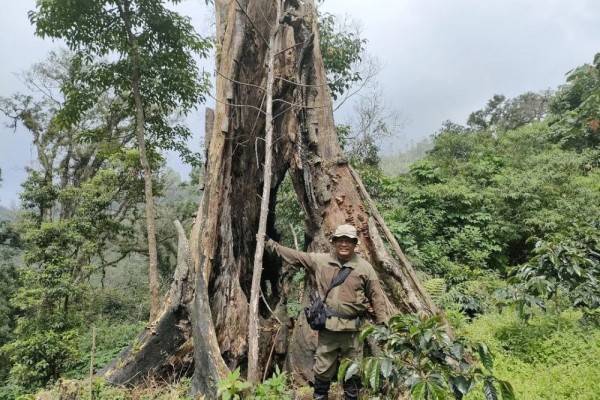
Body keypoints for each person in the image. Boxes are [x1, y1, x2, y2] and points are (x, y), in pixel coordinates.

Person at [265, 224, 388, 400]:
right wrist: (272, 244)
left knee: (352, 370)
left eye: (349, 241)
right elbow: (297, 257)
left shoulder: (364, 268)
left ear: (355, 244)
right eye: (340, 240)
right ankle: (320, 396)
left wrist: (383, 322)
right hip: (328, 329)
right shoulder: (321, 261)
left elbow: (377, 296)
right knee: (322, 369)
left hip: (353, 331)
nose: (344, 244)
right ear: (334, 242)